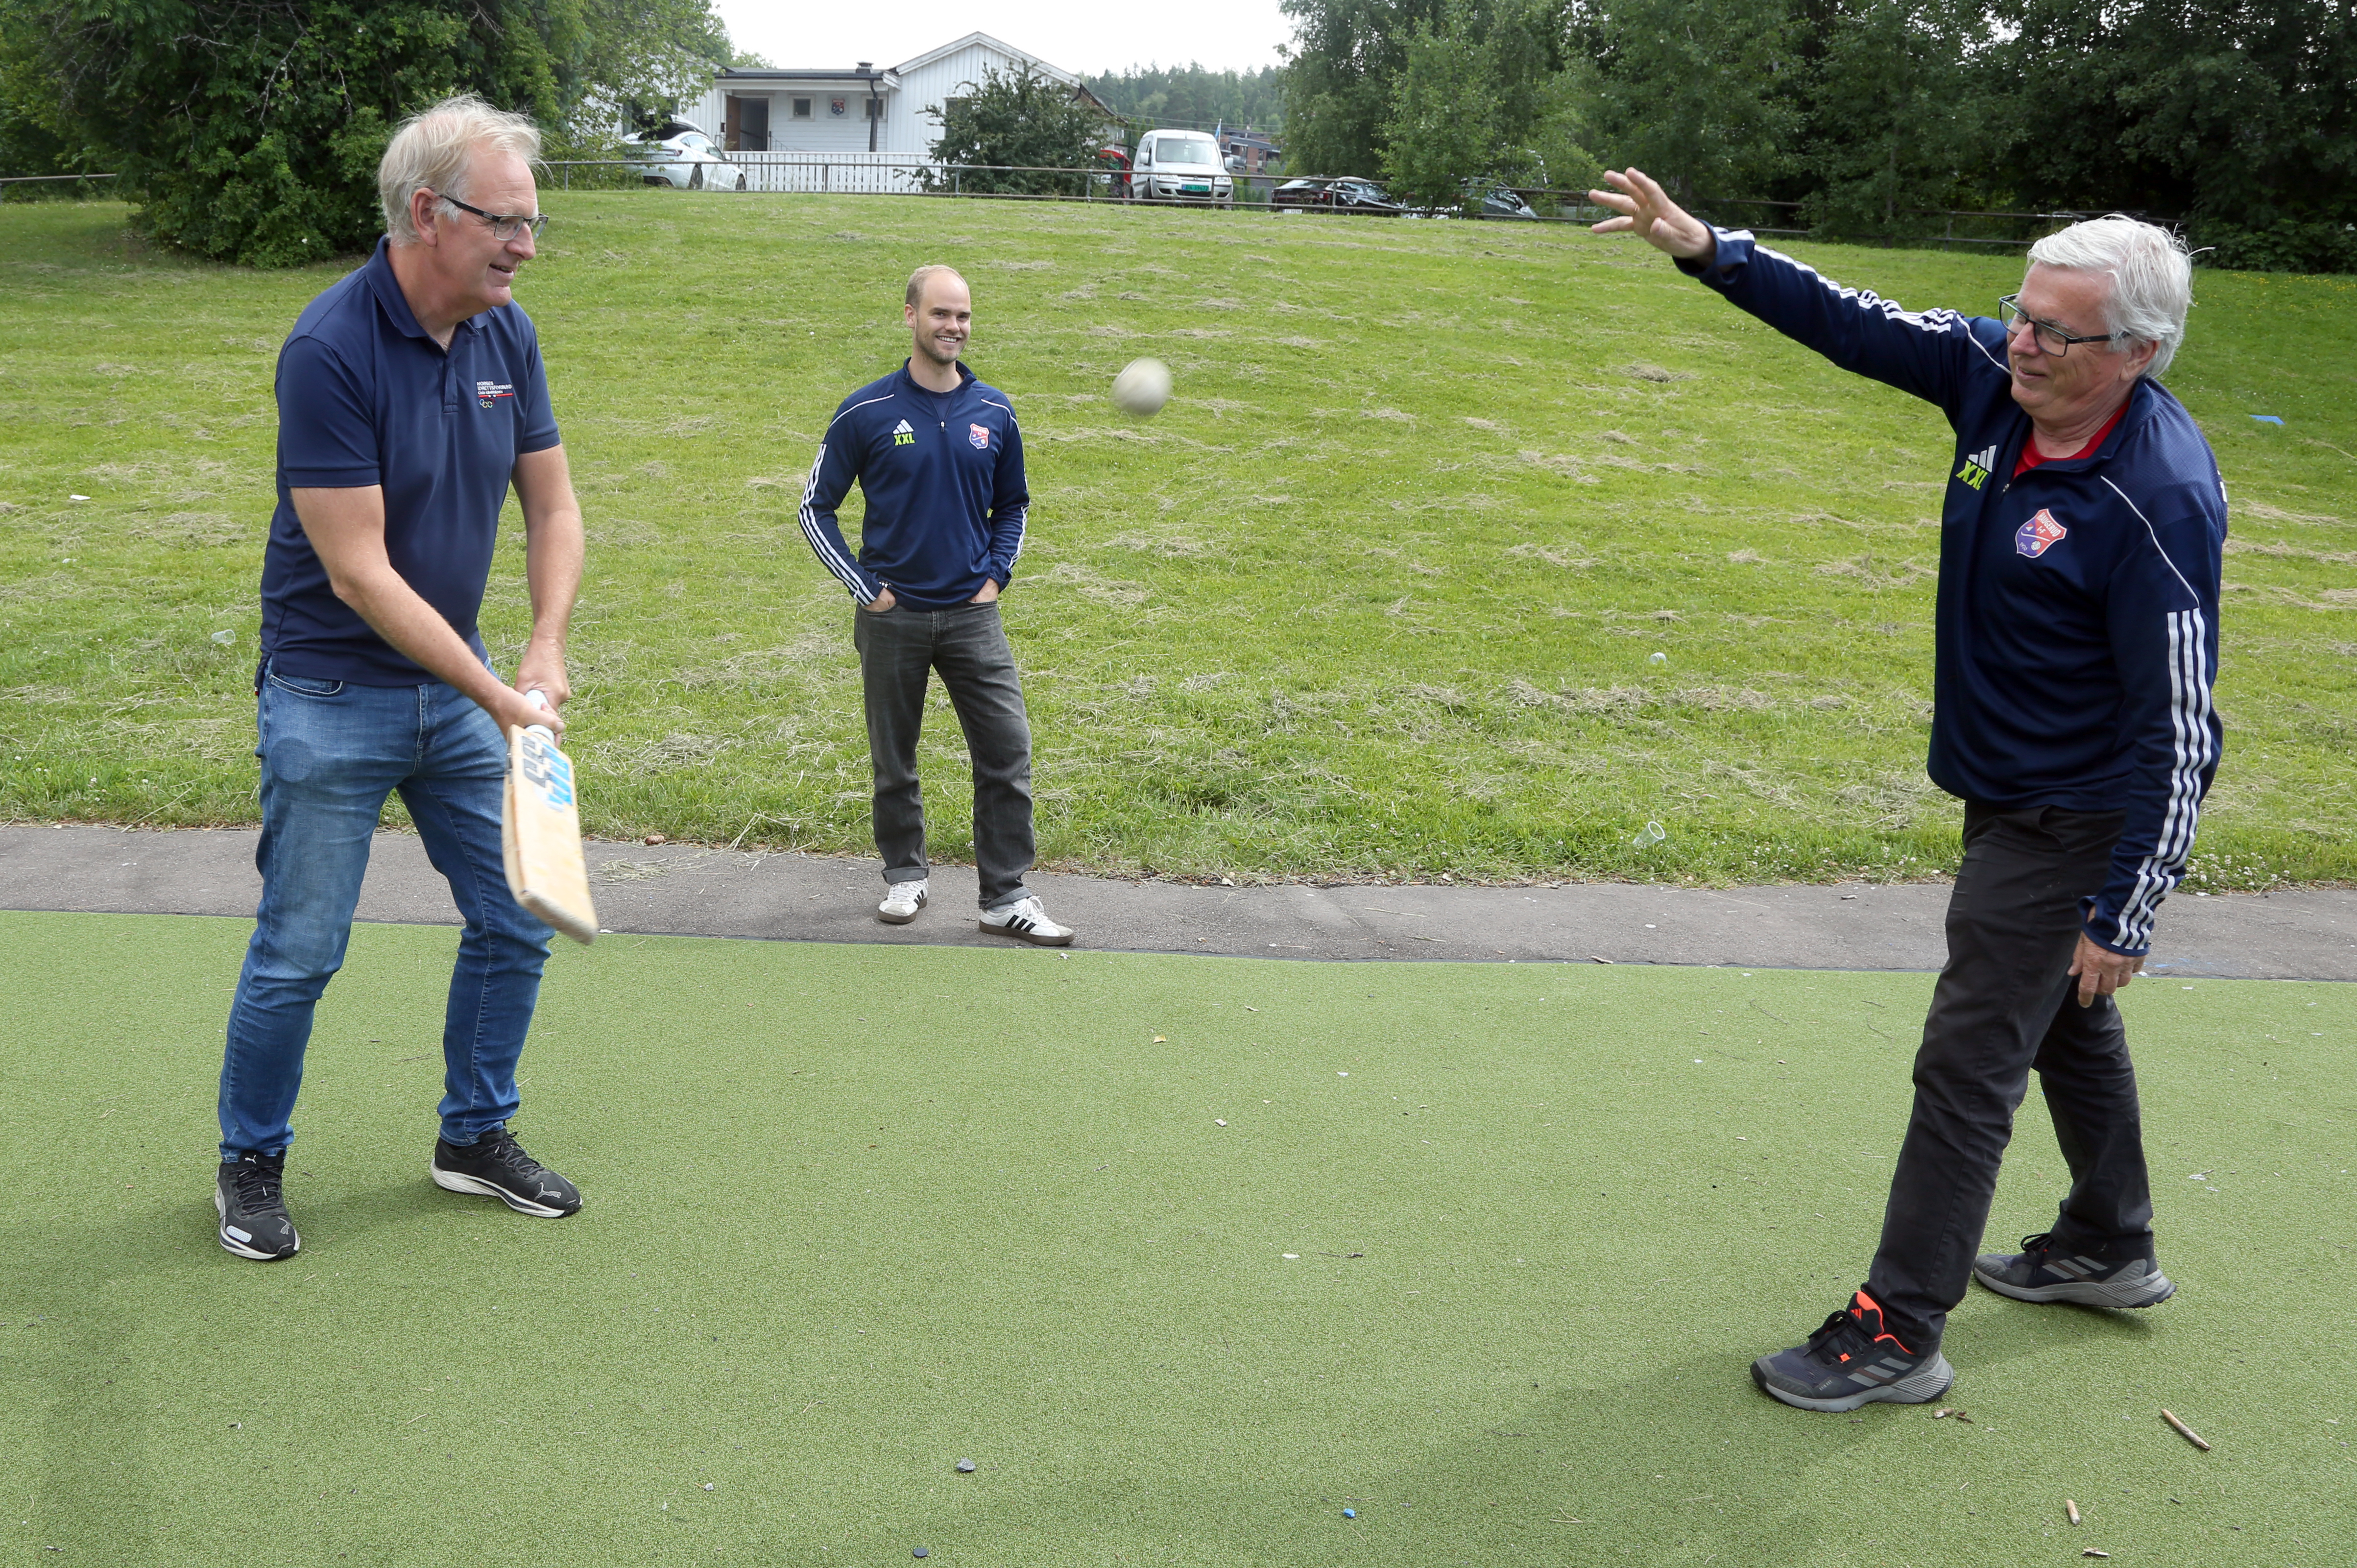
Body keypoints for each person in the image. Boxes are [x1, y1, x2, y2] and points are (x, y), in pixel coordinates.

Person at [1589, 170, 2224, 1411]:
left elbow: (2183, 722)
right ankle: (2109, 1241)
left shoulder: (2156, 499)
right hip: (2008, 786)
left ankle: (1897, 1325)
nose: (2021, 341)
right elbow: (1862, 320)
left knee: (1970, 1056)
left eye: (2055, 330)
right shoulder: (1997, 379)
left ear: (2137, 353)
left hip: (2073, 813)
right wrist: (1711, 249)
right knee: (2059, 1015)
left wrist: (2125, 908)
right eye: (2021, 312)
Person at [213, 95, 589, 1262]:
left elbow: (556, 504)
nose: (526, 246)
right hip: (332, 696)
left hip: (465, 684)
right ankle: (251, 1161)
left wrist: (543, 645)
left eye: (534, 223)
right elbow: (362, 575)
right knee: (302, 947)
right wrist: (497, 691)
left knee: (519, 913)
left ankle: (474, 1134)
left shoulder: (504, 332)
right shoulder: (328, 349)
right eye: (506, 223)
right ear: (428, 213)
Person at [798, 265, 1074, 946]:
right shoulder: (866, 411)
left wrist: (997, 576)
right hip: (894, 616)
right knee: (895, 755)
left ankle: (1005, 895)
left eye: (964, 316)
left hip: (974, 614)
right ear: (910, 316)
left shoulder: (995, 411)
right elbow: (815, 508)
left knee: (1007, 752)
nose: (954, 326)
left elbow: (1014, 505)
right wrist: (868, 589)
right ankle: (904, 873)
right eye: (941, 314)